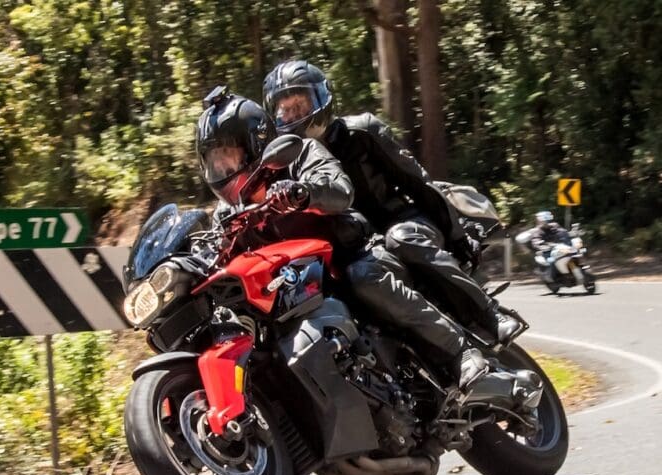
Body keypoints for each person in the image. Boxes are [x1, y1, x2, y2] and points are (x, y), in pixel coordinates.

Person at [195, 86, 491, 393]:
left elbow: (340, 190)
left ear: (255, 143)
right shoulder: (227, 213)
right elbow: (217, 249)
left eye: (228, 158)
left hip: (352, 256)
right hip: (300, 291)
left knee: (364, 276)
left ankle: (461, 352)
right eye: (215, 163)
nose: (224, 169)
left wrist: (304, 192)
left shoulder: (300, 154)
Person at [261, 60, 520, 348]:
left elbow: (418, 182)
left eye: (301, 104)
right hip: (357, 251)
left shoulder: (362, 132)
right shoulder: (283, 168)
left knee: (402, 239)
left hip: (402, 223)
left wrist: (458, 236)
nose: (294, 115)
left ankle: (489, 314)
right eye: (286, 110)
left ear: (321, 99)